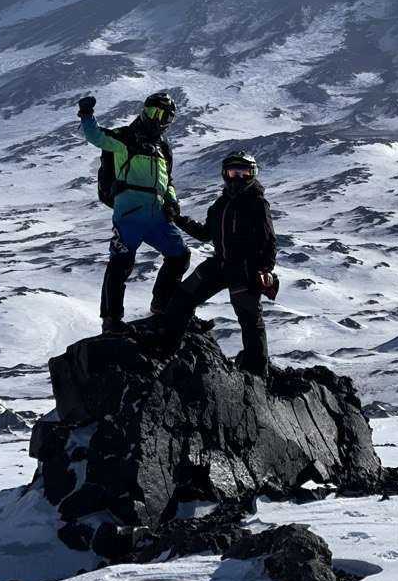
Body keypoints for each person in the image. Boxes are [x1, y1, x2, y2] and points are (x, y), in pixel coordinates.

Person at [77, 91, 190, 333]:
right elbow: (96, 137)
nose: (156, 119)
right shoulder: (124, 137)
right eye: (152, 112)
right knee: (121, 263)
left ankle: (162, 305)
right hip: (130, 211)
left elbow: (167, 180)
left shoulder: (163, 149)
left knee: (179, 255)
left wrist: (172, 202)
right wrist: (87, 115)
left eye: (163, 115)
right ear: (143, 111)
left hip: (157, 214)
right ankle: (111, 320)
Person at [161, 151, 278, 376]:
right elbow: (206, 233)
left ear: (253, 174)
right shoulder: (220, 204)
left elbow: (269, 240)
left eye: (244, 173)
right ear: (225, 174)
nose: (238, 178)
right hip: (220, 264)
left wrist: (265, 269)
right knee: (184, 296)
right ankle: (168, 345)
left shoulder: (257, 203)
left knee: (249, 318)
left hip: (245, 270)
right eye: (233, 172)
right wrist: (179, 219)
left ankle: (257, 371)